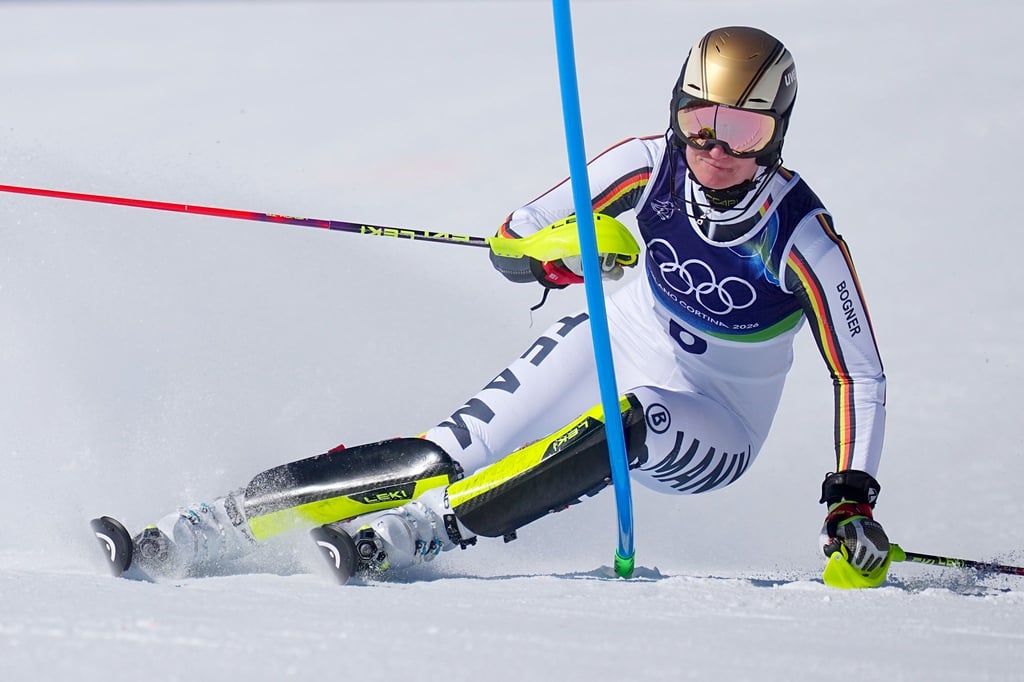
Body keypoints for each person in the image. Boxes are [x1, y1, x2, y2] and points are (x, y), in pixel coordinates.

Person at [98, 26, 890, 587]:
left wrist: (849, 501)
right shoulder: (643, 165)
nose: (716, 150)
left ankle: (426, 532)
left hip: (716, 416)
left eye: (744, 130)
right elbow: (512, 240)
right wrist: (576, 249)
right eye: (699, 120)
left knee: (635, 417)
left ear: (777, 135)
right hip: (624, 331)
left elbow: (860, 375)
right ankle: (213, 524)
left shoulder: (802, 237)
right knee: (442, 454)